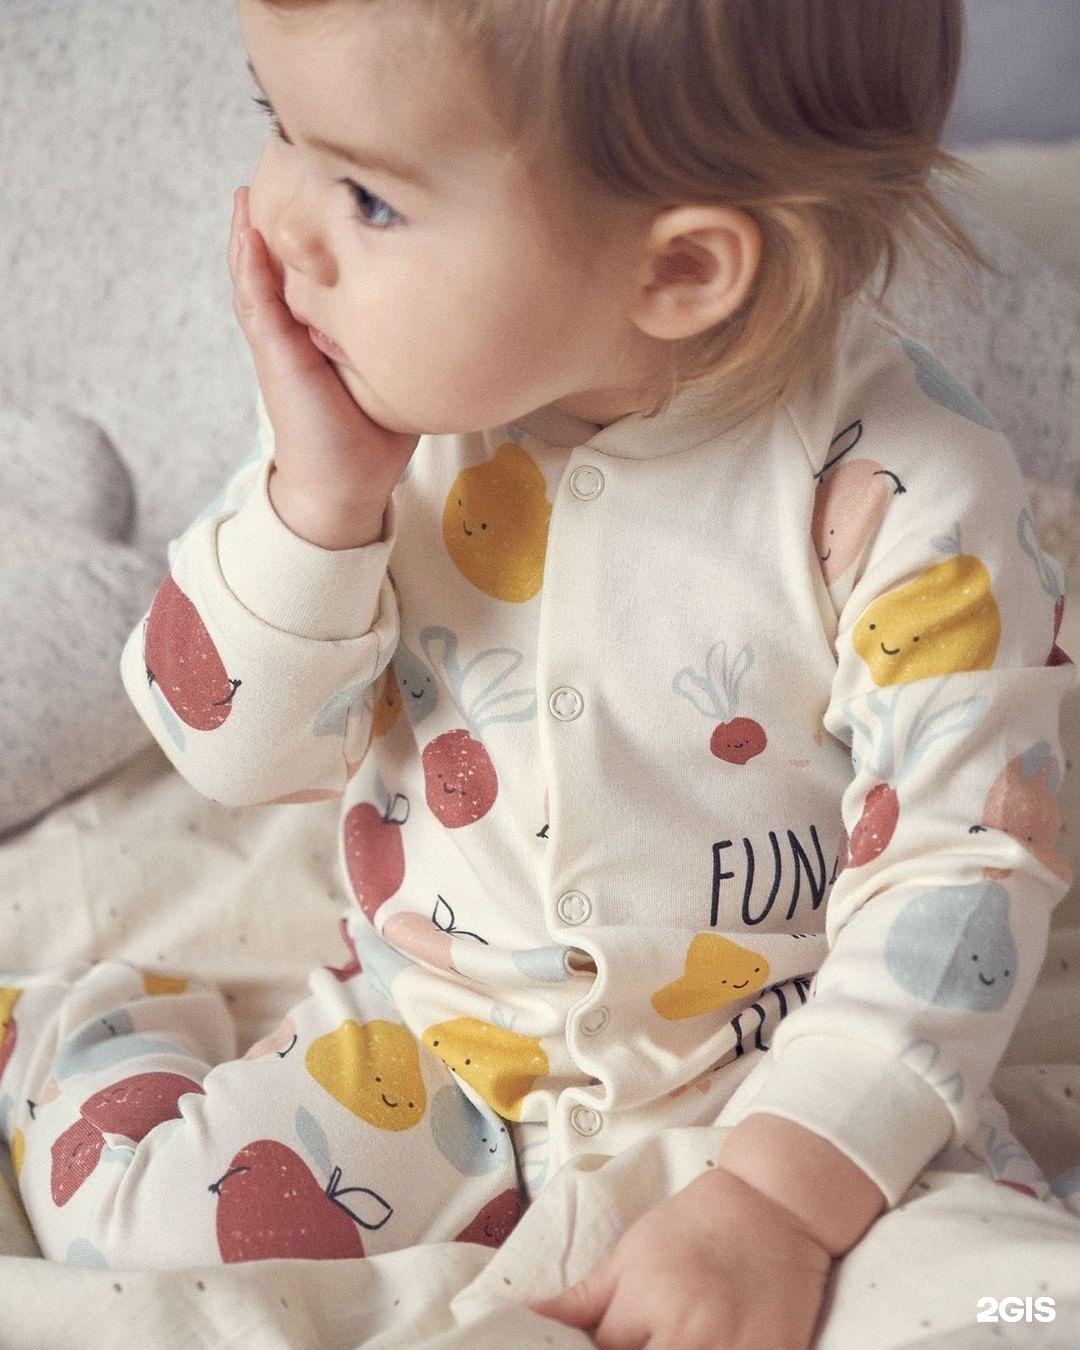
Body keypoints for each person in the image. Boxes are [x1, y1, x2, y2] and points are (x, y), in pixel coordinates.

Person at [2, 0, 1077, 1344]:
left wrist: (780, 1200)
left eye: (370, 199)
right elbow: (239, 751)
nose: (280, 222)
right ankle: (76, 1032)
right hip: (441, 1044)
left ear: (680, 270)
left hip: (793, 1080)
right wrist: (316, 503)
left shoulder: (907, 490)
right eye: (277, 126)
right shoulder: (384, 425)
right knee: (139, 1222)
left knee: (1017, 1302)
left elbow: (961, 871)